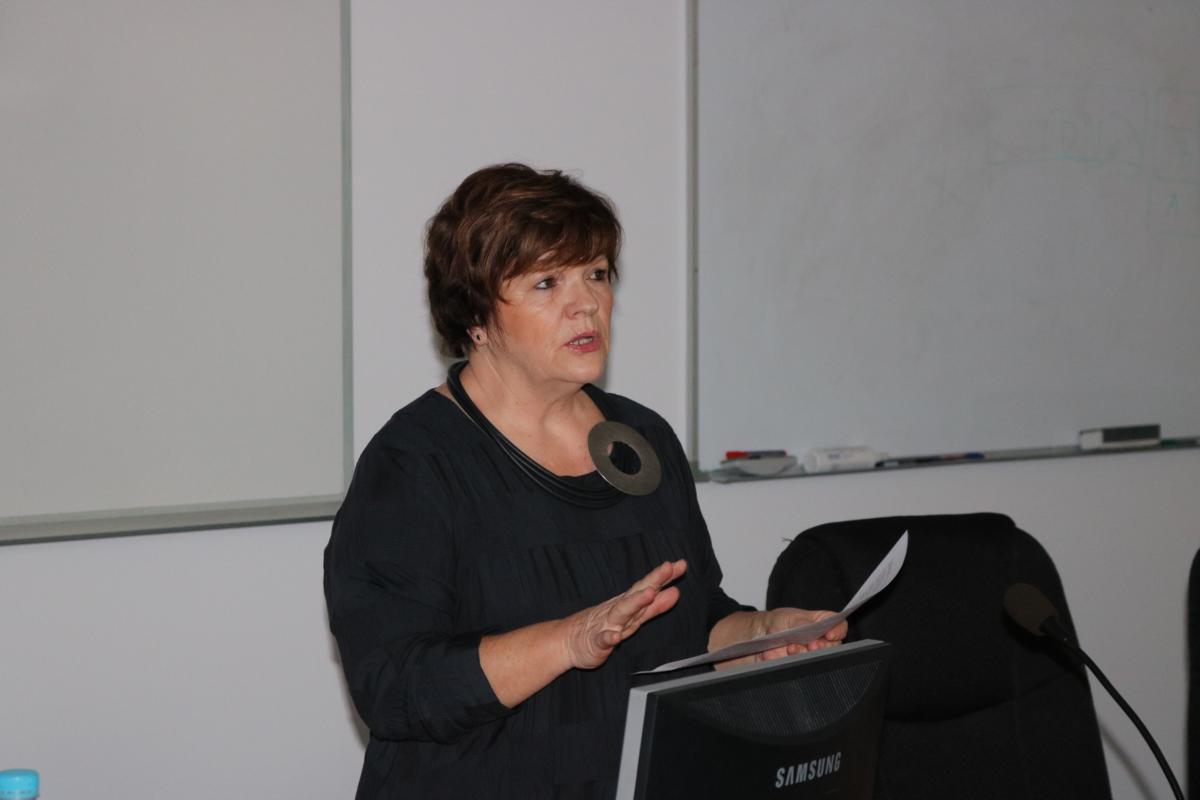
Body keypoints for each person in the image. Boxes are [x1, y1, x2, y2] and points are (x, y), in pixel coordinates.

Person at [323, 163, 846, 799]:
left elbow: (692, 615)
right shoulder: (413, 464)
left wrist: (760, 636)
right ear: (476, 315)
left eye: (596, 274)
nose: (587, 304)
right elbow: (394, 687)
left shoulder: (642, 437)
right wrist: (570, 639)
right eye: (547, 283)